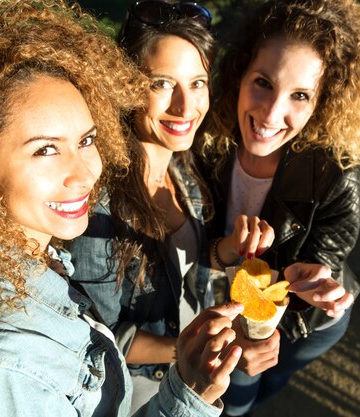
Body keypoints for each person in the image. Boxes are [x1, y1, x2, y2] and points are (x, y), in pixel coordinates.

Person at [0, 1, 246, 416]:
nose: (85, 175)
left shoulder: (36, 257)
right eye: (46, 149)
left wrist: (186, 381)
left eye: (86, 140)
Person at [66, 1, 278, 413]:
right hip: (137, 393)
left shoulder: (183, 168)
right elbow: (96, 334)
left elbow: (185, 269)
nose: (186, 107)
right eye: (162, 83)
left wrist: (229, 250)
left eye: (197, 83)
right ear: (125, 87)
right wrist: (189, 350)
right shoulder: (99, 203)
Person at [200, 0, 360, 415]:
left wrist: (277, 324)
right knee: (235, 400)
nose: (271, 114)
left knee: (267, 382)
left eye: (300, 95)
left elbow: (324, 258)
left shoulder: (338, 174)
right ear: (240, 72)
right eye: (263, 83)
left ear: (323, 103)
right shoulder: (205, 139)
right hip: (229, 309)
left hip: (308, 325)